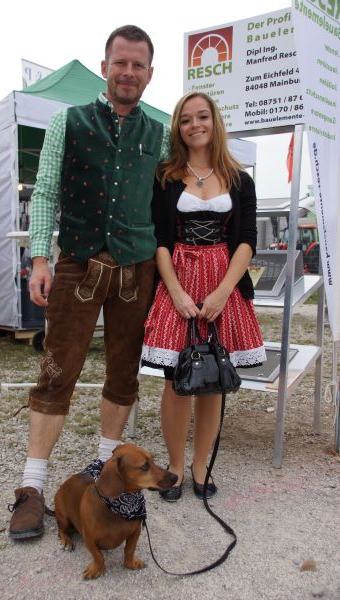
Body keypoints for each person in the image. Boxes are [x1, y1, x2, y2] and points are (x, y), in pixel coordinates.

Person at [8, 25, 170, 539]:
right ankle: (32, 488)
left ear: (149, 74)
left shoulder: (160, 134)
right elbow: (45, 191)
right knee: (57, 372)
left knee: (123, 374)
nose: (128, 72)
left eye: (138, 65)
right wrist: (39, 259)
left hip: (136, 269)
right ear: (104, 67)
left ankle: (105, 472)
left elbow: (172, 197)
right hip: (78, 263)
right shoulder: (68, 121)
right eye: (120, 63)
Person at [141, 91, 266, 502]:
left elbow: (246, 241)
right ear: (178, 128)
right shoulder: (165, 177)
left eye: (202, 117)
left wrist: (223, 292)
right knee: (176, 379)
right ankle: (176, 465)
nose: (195, 125)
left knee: (213, 379)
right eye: (186, 119)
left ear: (215, 122)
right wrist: (176, 292)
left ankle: (200, 464)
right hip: (177, 278)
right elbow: (160, 239)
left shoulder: (239, 179)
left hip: (222, 282)